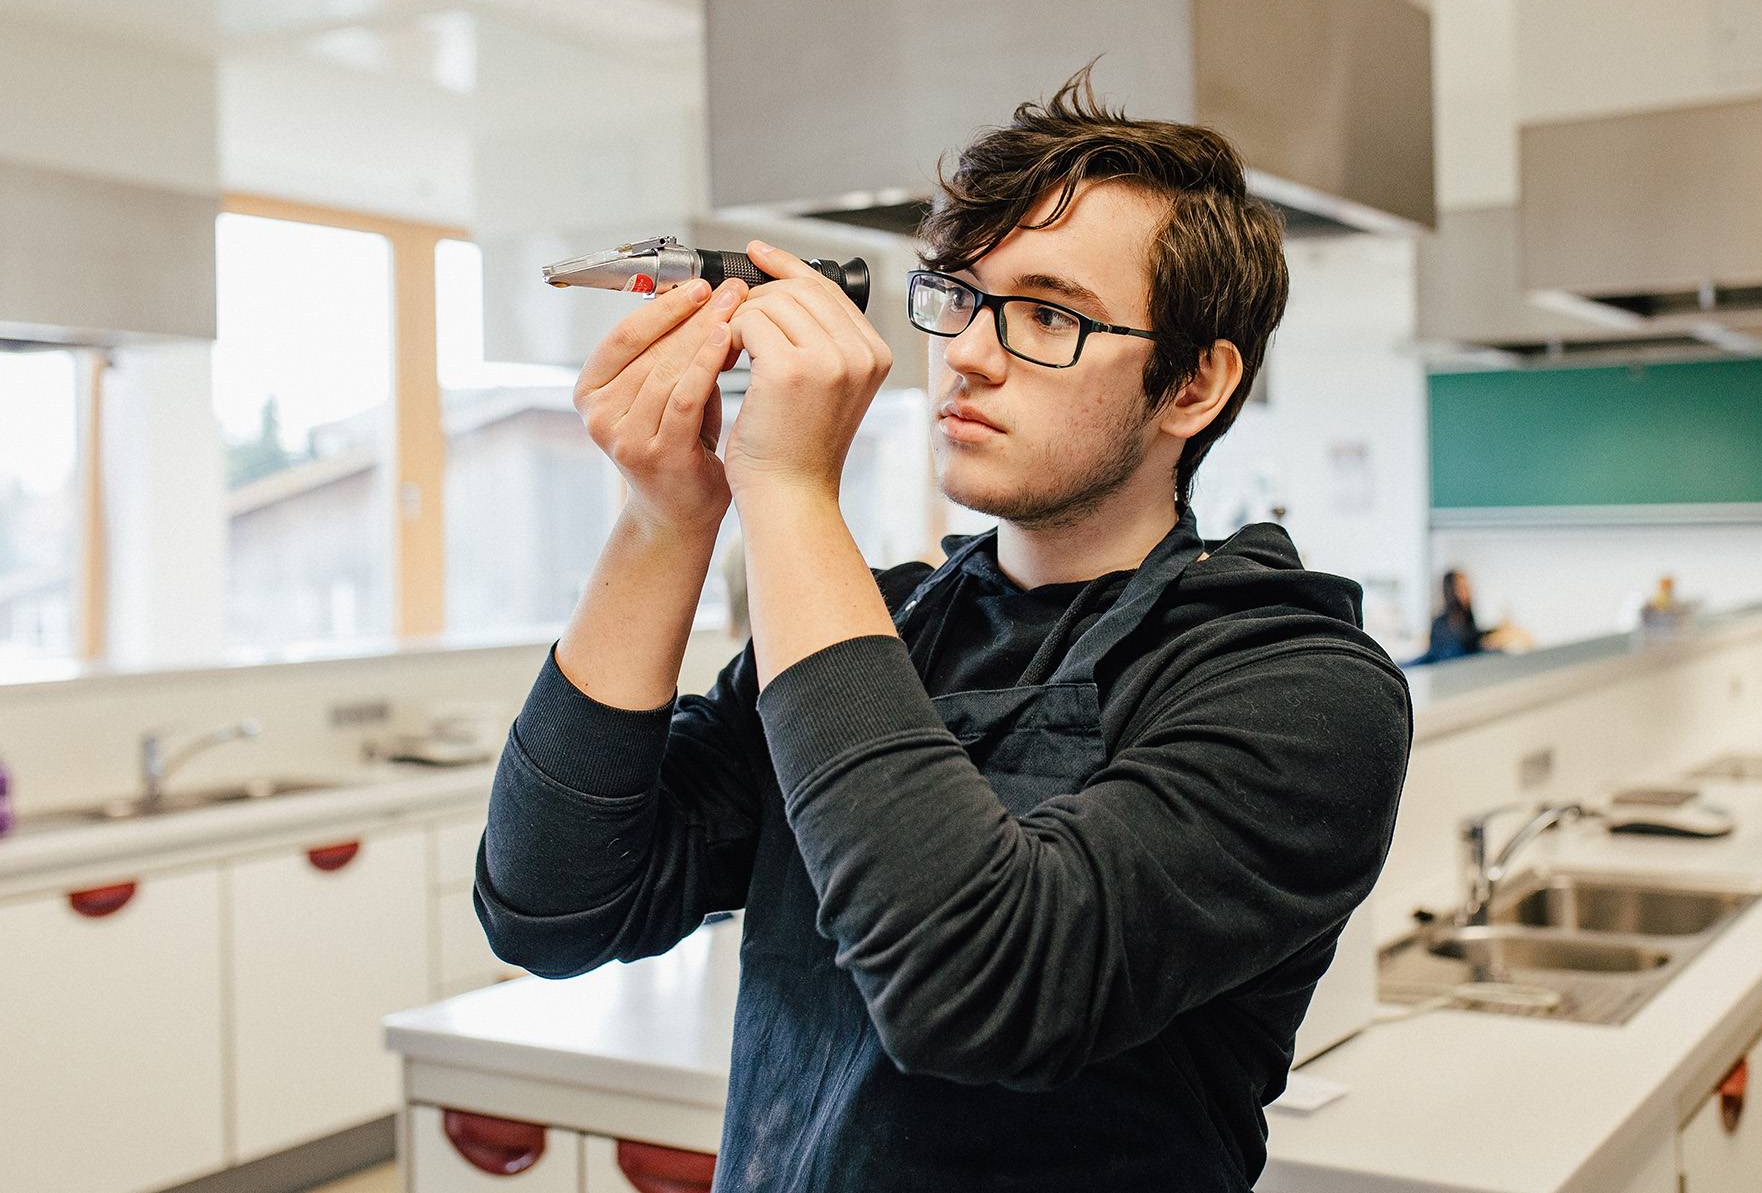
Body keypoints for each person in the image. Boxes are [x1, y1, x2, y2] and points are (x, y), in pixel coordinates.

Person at [473, 63, 1413, 1192]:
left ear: (1194, 385)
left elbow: (979, 988)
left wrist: (787, 489)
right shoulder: (877, 625)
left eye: (1047, 313)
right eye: (959, 295)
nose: (966, 350)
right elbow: (549, 903)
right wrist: (665, 518)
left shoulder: (1297, 683)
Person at [1414, 568, 1532, 663]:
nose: (1468, 592)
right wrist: (1485, 647)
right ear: (1451, 591)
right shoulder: (1441, 625)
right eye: (1462, 588)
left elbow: (1472, 637)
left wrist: (1495, 632)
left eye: (1467, 587)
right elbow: (1455, 658)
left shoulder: (1465, 618)